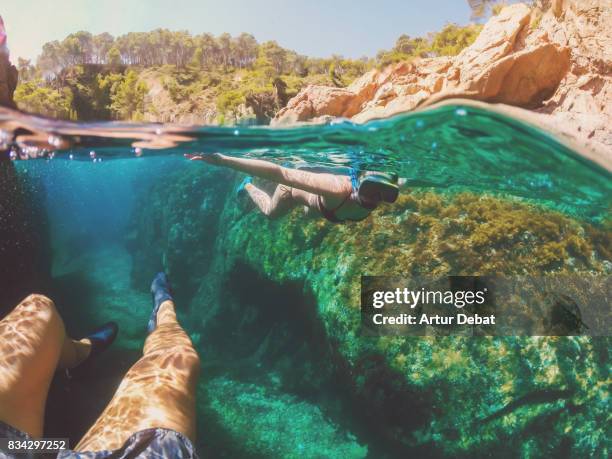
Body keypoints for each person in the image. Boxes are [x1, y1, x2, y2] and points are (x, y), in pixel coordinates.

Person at [0, 273, 200, 458]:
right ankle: (163, 308)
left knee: (37, 307)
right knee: (178, 358)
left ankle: (82, 353)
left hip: (10, 446)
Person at [186, 153, 399, 223]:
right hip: (290, 192)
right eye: (370, 190)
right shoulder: (336, 189)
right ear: (356, 182)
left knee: (308, 211)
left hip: (321, 208)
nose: (376, 199)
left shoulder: (381, 190)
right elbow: (281, 173)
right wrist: (223, 160)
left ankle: (308, 205)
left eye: (387, 194)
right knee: (271, 213)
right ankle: (247, 184)